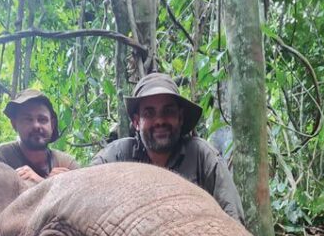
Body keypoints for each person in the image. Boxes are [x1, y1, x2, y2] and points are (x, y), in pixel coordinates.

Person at [91, 73, 244, 222]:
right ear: (137, 122)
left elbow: (233, 220)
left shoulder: (202, 156)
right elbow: (84, 191)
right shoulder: (117, 157)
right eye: (149, 113)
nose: (159, 121)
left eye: (168, 111)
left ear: (180, 117)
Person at [0, 90, 79, 185]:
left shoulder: (66, 163)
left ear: (52, 125)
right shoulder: (2, 157)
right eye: (28, 119)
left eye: (42, 120)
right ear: (14, 124)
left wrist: (44, 183)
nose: (36, 126)